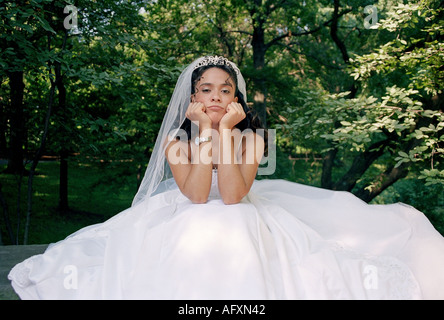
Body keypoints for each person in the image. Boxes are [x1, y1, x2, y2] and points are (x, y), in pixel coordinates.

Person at [8, 56, 444, 300]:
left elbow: (233, 196)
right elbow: (198, 195)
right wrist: (206, 133)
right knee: (199, 224)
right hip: (186, 210)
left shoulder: (252, 140)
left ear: (237, 98)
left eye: (226, 90)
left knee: (233, 222)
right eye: (206, 90)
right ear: (193, 96)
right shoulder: (176, 143)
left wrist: (225, 132)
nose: (216, 97)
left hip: (241, 210)